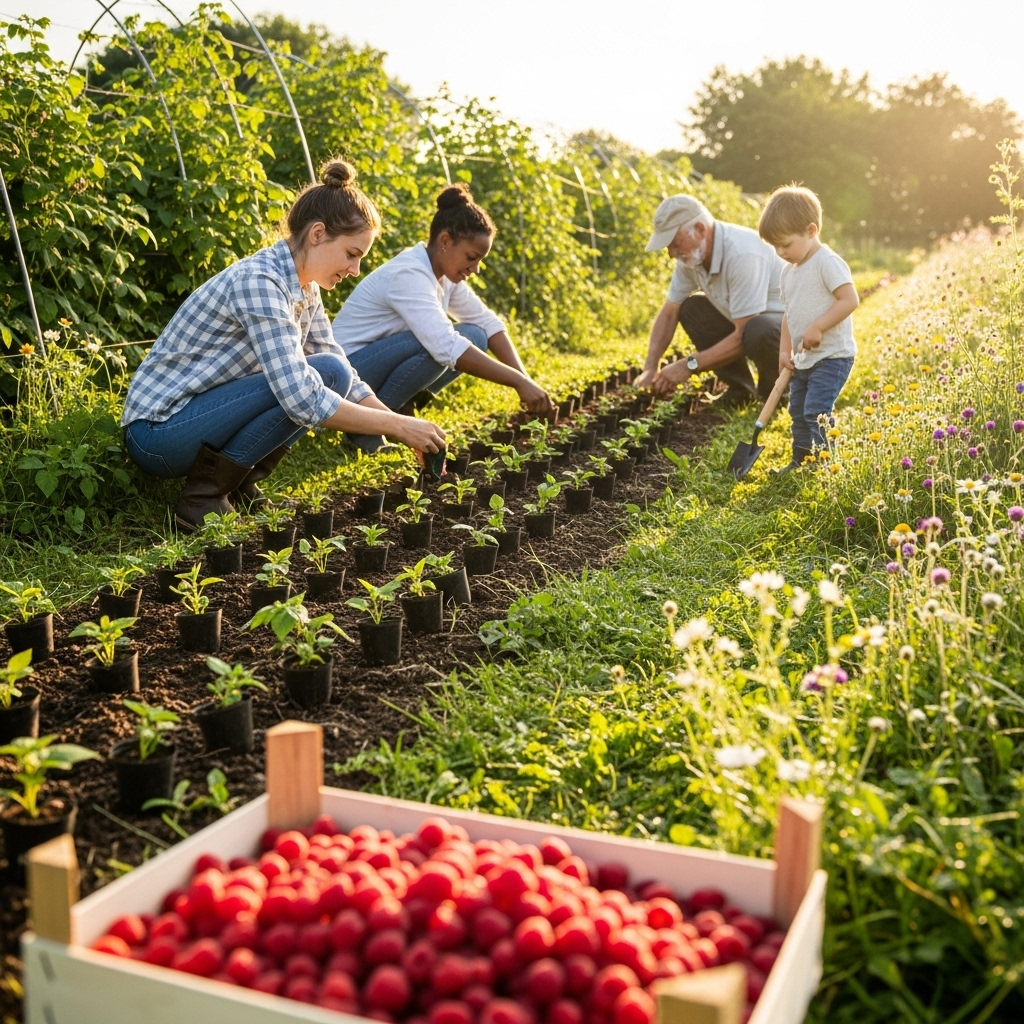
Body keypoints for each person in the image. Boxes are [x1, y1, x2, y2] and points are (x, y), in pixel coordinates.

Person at [120, 160, 446, 532]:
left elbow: (341, 371)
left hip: (198, 418)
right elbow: (302, 399)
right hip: (158, 433)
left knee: (333, 372)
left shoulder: (304, 286)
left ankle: (239, 484)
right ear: (318, 234)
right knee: (315, 380)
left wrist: (402, 424)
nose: (355, 270)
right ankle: (200, 499)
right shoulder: (260, 282)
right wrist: (400, 427)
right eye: (352, 254)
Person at [331, 183, 554, 451]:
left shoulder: (445, 276)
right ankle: (367, 429)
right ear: (445, 241)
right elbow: (446, 347)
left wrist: (526, 382)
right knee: (438, 343)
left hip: (372, 369)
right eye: (471, 257)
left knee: (475, 334)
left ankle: (400, 407)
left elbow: (488, 323)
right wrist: (518, 382)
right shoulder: (409, 274)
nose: (476, 269)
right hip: (346, 373)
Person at [635, 195, 785, 405]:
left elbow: (745, 332)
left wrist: (688, 365)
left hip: (789, 335)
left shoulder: (742, 254)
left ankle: (777, 393)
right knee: (690, 308)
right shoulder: (690, 260)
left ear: (700, 229)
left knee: (758, 328)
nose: (671, 254)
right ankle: (741, 391)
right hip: (751, 327)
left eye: (675, 244)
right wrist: (650, 367)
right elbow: (670, 312)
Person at [758, 185, 858, 470]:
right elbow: (789, 313)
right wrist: (784, 350)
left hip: (832, 356)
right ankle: (801, 460)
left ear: (811, 230)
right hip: (803, 360)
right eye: (774, 246)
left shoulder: (827, 263)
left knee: (816, 411)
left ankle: (826, 464)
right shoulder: (788, 273)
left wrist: (817, 326)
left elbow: (849, 299)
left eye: (786, 244)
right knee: (798, 412)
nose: (780, 252)